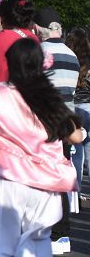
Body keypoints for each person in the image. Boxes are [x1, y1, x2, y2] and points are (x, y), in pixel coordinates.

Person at [0, 38, 82, 257]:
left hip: (1, 180)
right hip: (43, 185)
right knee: (35, 246)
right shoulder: (49, 99)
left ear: (9, 63)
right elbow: (75, 136)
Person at [31, 7, 80, 253]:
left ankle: (42, 231)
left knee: (38, 180)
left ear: (40, 28)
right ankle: (62, 234)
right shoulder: (72, 55)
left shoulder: (40, 52)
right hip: (67, 124)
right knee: (59, 179)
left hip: (43, 124)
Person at [67, 27, 90, 199]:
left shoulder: (68, 59)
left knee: (76, 151)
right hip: (89, 107)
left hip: (73, 107)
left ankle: (77, 192)